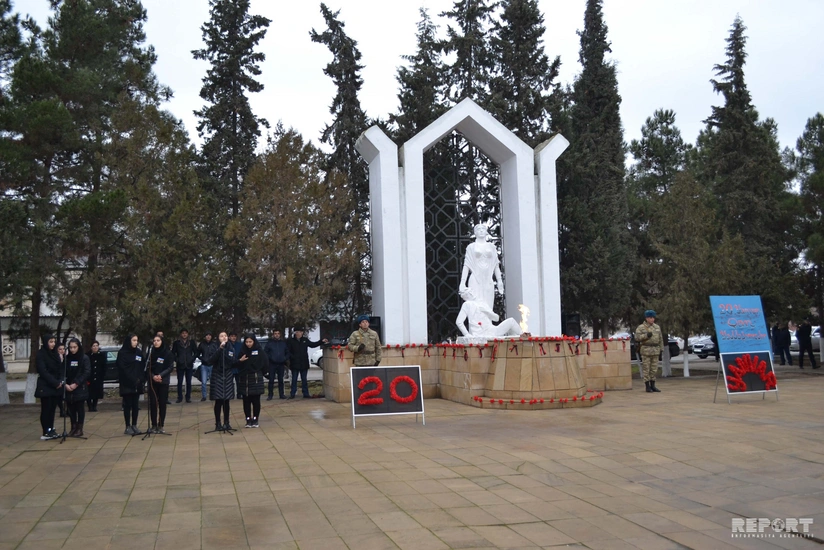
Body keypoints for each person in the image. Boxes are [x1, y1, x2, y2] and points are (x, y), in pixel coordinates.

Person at [459, 224, 504, 310]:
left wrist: (499, 280)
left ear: (486, 231)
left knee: (488, 308)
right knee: (475, 307)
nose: (481, 230)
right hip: (475, 279)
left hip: (488, 279)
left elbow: (496, 265)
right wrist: (462, 282)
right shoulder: (471, 247)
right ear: (475, 232)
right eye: (478, 229)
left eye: (483, 229)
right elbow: (466, 265)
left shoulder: (491, 247)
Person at [455, 288, 521, 339]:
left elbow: (496, 318)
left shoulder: (483, 303)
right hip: (479, 334)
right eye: (468, 293)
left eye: (471, 292)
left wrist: (487, 312)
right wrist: (467, 334)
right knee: (511, 323)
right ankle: (523, 337)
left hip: (492, 331)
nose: (471, 294)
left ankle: (524, 336)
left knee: (511, 321)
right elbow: (459, 322)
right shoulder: (467, 304)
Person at [205, 331, 237, 431]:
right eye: (221, 336)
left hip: (227, 374)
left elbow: (232, 360)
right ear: (218, 338)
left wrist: (226, 351)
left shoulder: (230, 347)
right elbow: (211, 360)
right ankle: (218, 423)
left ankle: (227, 423)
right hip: (217, 374)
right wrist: (220, 349)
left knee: (226, 400)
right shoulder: (214, 346)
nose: (224, 337)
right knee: (218, 400)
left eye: (225, 336)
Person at [286, 328, 327, 399]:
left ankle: (305, 393)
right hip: (294, 363)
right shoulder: (291, 341)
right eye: (297, 332)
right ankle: (292, 393)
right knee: (294, 379)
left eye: (299, 332)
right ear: (295, 333)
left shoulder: (305, 340)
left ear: (302, 333)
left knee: (304, 379)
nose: (298, 333)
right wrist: (292, 357)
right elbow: (287, 351)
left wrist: (321, 341)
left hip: (304, 363)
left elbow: (313, 345)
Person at [35, 334, 62, 440]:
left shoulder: (55, 354)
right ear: (45, 342)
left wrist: (60, 381)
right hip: (46, 386)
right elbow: (43, 371)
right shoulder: (41, 354)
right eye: (51, 342)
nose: (53, 344)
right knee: (46, 409)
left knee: (52, 409)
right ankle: (45, 431)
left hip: (55, 386)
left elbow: (60, 369)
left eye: (54, 342)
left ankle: (51, 429)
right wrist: (55, 382)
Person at [117, 334, 145, 435]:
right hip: (127, 383)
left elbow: (142, 366)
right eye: (134, 340)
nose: (135, 342)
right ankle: (127, 426)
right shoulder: (122, 353)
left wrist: (140, 379)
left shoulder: (138, 352)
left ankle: (134, 425)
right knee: (127, 405)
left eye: (137, 340)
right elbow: (122, 368)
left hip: (137, 383)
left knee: (135, 405)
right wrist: (132, 379)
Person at [64, 338, 91, 437]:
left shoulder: (84, 358)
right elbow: (63, 372)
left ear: (78, 347)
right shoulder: (67, 358)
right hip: (69, 387)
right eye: (70, 347)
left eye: (74, 347)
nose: (72, 349)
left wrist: (76, 383)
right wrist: (66, 384)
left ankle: (80, 428)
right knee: (71, 409)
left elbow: (86, 372)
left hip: (80, 387)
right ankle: (73, 427)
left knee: (80, 408)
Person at [147, 335, 174, 433]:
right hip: (153, 382)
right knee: (153, 403)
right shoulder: (151, 353)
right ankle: (154, 425)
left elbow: (170, 367)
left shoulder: (167, 353)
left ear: (162, 341)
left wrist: (160, 375)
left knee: (162, 403)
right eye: (154, 340)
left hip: (163, 381)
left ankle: (161, 424)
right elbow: (148, 367)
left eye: (158, 340)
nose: (156, 342)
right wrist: (153, 376)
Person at [238, 334, 266, 427]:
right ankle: (248, 419)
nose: (248, 344)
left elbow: (265, 363)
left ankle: (255, 419)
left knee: (256, 401)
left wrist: (261, 372)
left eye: (250, 342)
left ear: (254, 341)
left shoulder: (259, 351)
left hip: (256, 378)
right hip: (245, 379)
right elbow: (237, 364)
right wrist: (240, 361)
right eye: (246, 342)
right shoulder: (242, 351)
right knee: (246, 401)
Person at [635, 310, 663, 393]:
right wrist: (646, 335)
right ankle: (647, 386)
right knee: (646, 369)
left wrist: (661, 349)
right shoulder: (641, 327)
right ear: (646, 318)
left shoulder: (657, 327)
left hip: (655, 350)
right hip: (646, 350)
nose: (652, 319)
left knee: (654, 369)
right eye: (650, 317)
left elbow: (660, 339)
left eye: (653, 317)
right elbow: (637, 338)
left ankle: (653, 385)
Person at [172, 328, 197, 403]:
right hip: (180, 365)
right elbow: (173, 353)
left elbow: (196, 352)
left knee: (188, 382)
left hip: (189, 364)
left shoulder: (191, 343)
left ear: (188, 334)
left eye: (185, 333)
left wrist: (192, 359)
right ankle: (179, 397)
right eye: (183, 333)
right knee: (180, 382)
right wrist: (177, 360)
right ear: (181, 334)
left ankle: (188, 397)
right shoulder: (177, 343)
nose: (184, 334)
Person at [263, 329, 289, 400]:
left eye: (278, 333)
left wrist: (284, 358)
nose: (277, 335)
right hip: (272, 364)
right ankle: (270, 395)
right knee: (271, 380)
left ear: (280, 334)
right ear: (273, 335)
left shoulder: (283, 343)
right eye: (275, 333)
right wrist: (270, 358)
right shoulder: (270, 343)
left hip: (281, 364)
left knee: (281, 380)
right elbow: (265, 352)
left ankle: (281, 394)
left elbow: (287, 352)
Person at [86, 340, 106, 412]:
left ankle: (94, 406)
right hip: (90, 377)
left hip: (98, 377)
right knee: (89, 392)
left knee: (96, 392)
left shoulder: (101, 355)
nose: (95, 347)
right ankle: (89, 406)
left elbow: (104, 367)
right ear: (91, 347)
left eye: (96, 346)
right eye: (94, 346)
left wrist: (102, 376)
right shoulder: (87, 355)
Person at [197, 332, 214, 402]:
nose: (208, 337)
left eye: (209, 335)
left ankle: (213, 395)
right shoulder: (202, 344)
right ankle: (204, 396)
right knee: (204, 382)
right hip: (204, 365)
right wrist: (202, 359)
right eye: (207, 335)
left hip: (212, 365)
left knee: (213, 381)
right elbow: (197, 354)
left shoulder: (214, 344)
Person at [229, 332, 243, 399]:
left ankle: (239, 394)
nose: (233, 337)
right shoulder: (227, 345)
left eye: (234, 336)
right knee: (230, 382)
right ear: (229, 337)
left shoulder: (240, 345)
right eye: (232, 336)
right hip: (230, 366)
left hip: (238, 366)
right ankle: (231, 395)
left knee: (239, 382)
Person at [56, 342, 67, 418]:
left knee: (65, 396)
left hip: (65, 378)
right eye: (60, 349)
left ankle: (66, 410)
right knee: (59, 396)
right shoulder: (56, 358)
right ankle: (62, 410)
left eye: (63, 349)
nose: (62, 351)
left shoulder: (66, 358)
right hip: (58, 379)